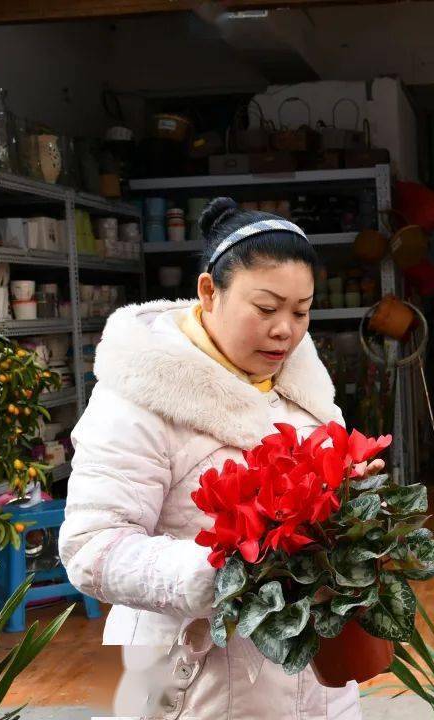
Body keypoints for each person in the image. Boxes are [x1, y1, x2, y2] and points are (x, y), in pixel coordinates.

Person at [59, 198, 367, 719]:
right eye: (266, 309)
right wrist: (218, 574)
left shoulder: (305, 387)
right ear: (209, 292)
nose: (286, 330)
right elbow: (91, 548)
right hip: (186, 679)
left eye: (301, 310)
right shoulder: (141, 396)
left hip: (310, 681)